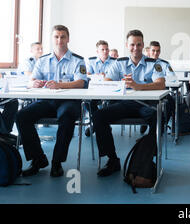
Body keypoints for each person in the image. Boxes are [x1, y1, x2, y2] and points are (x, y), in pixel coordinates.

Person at [16, 25, 88, 177]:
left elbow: (81, 82)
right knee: (22, 116)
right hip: (48, 101)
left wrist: (59, 84)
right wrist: (33, 83)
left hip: (69, 101)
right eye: (56, 36)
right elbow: (31, 80)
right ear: (52, 39)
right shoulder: (42, 60)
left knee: (67, 116)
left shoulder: (78, 60)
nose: (59, 40)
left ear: (68, 39)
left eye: (63, 36)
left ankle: (57, 162)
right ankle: (38, 159)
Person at [92, 29, 166, 177]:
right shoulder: (120, 63)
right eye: (132, 44)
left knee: (158, 117)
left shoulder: (153, 63)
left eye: (139, 45)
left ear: (143, 45)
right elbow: (107, 81)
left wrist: (138, 86)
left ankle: (146, 158)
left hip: (146, 104)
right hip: (124, 104)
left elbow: (161, 84)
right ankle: (112, 160)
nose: (135, 48)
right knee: (99, 116)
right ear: (127, 45)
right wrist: (120, 83)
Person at [140, 40, 178, 134]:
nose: (155, 53)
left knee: (170, 102)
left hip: (160, 91)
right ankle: (145, 123)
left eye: (157, 51)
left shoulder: (165, 63)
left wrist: (160, 79)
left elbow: (172, 78)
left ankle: (162, 126)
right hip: (143, 92)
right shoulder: (142, 62)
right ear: (149, 51)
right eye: (153, 50)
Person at [85, 40, 117, 136]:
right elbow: (87, 75)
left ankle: (99, 123)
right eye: (102, 49)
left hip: (111, 90)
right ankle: (98, 122)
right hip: (96, 90)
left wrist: (106, 77)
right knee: (87, 101)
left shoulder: (115, 62)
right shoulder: (91, 61)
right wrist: (96, 75)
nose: (105, 51)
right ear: (97, 51)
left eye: (107, 49)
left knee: (112, 104)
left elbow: (117, 76)